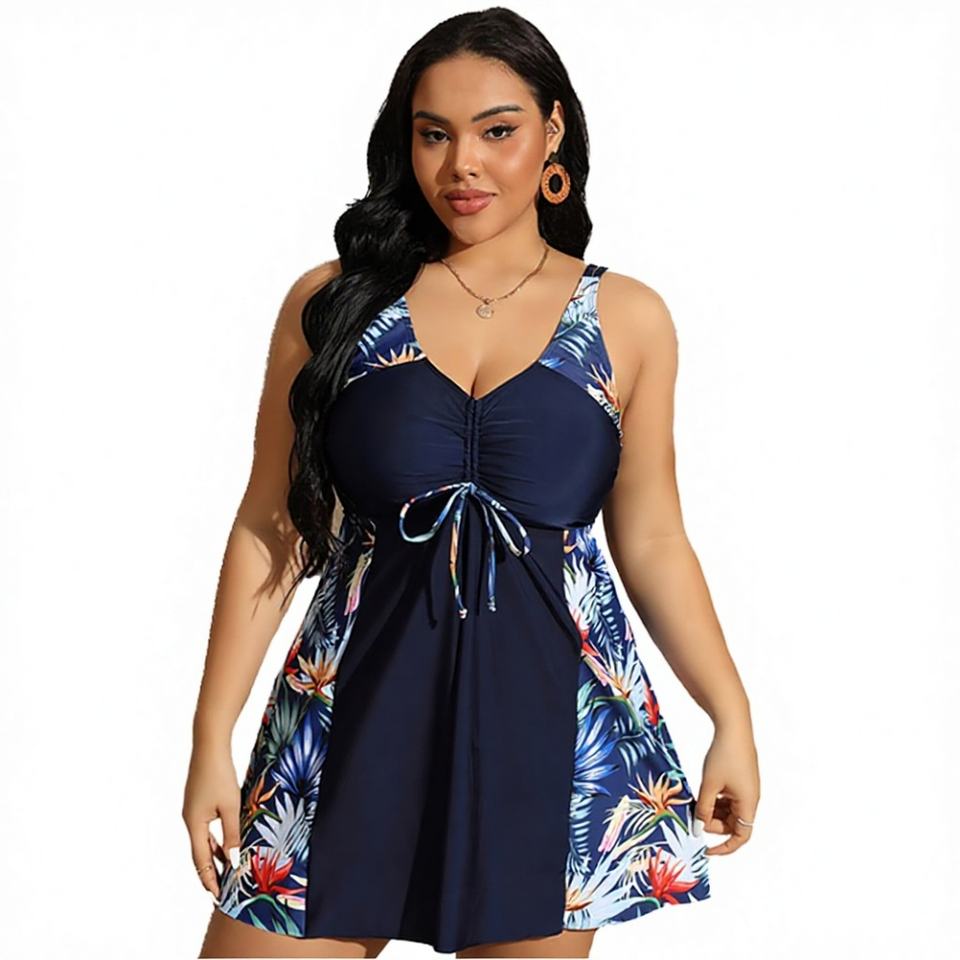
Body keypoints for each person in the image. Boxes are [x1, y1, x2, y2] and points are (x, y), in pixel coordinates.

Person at [184, 8, 760, 959]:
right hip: (348, 711)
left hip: (555, 728)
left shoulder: (626, 317)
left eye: (497, 130)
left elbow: (653, 538)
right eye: (434, 134)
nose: (463, 165)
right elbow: (272, 527)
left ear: (553, 131)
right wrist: (213, 733)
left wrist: (728, 713)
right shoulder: (335, 301)